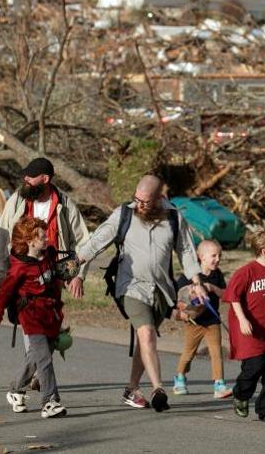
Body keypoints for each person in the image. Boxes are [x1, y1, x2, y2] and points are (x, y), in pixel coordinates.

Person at [76, 175, 206, 413]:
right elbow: (98, 239)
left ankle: (132, 388)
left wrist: (196, 281)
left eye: (145, 201)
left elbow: (186, 251)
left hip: (161, 290)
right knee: (146, 334)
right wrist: (77, 262)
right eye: (137, 199)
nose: (139, 205)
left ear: (160, 198)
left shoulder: (174, 218)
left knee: (144, 341)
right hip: (131, 286)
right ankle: (159, 389)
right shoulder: (125, 214)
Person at [0, 157, 89, 390]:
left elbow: (84, 241)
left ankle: (27, 377)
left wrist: (78, 274)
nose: (25, 179)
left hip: (53, 275)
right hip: (22, 273)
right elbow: (2, 234)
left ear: (45, 179)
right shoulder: (17, 200)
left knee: (48, 329)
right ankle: (44, 389)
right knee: (32, 327)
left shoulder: (64, 203)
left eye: (30, 176)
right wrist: (1, 271)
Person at [0, 217, 67, 418]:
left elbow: (54, 285)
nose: (46, 238)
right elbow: (3, 295)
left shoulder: (48, 255)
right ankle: (50, 402)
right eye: (42, 236)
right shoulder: (18, 268)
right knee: (44, 358)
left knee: (36, 356)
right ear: (30, 241)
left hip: (49, 314)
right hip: (30, 316)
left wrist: (59, 315)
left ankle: (15, 389)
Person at [223, 229, 265, 424]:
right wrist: (242, 319)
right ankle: (241, 394)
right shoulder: (246, 272)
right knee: (255, 365)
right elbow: (232, 296)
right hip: (250, 329)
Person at [173, 239, 232, 399]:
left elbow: (225, 295)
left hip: (212, 320)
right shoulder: (189, 275)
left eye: (219, 255)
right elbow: (178, 299)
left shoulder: (217, 274)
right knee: (188, 353)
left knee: (216, 352)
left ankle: (219, 384)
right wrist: (185, 307)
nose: (217, 259)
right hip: (194, 322)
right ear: (201, 257)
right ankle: (179, 378)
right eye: (213, 255)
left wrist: (212, 288)